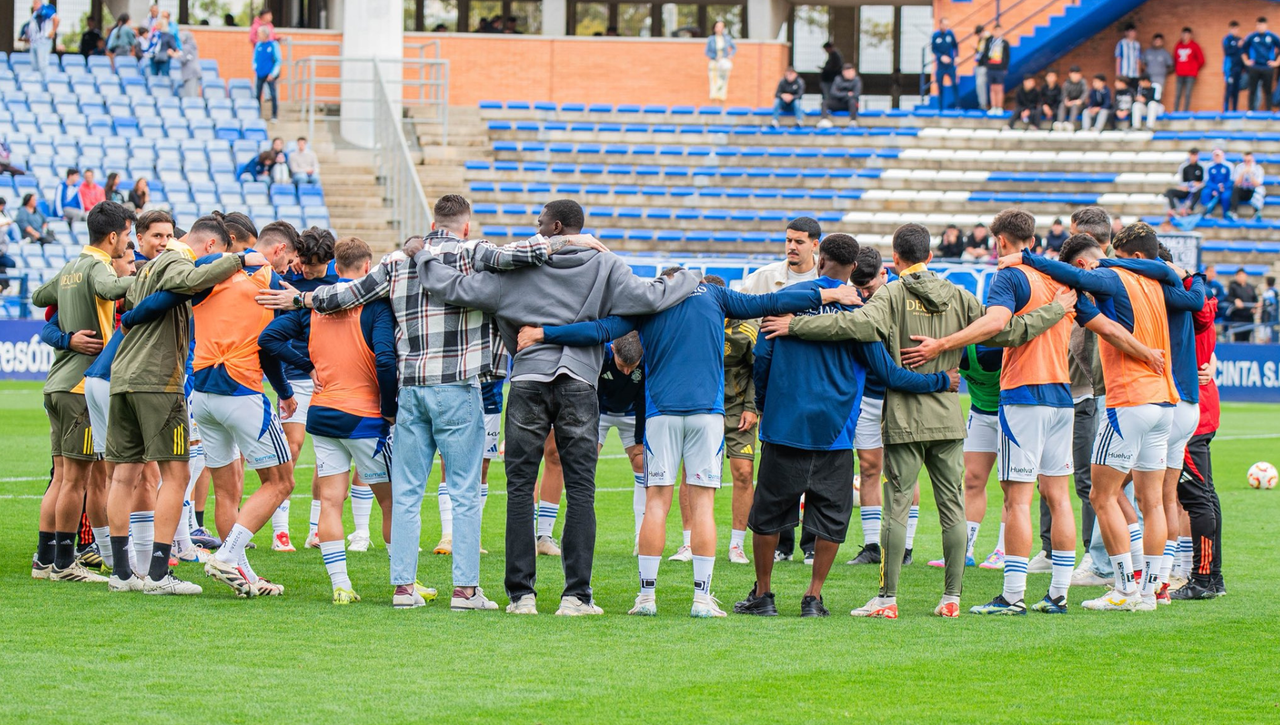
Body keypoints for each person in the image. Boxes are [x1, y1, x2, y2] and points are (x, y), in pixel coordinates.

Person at [760, 223, 1070, 619]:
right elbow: (1008, 331)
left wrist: (795, 324)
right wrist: (1056, 310)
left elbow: (852, 325)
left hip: (904, 417)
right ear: (930, 255)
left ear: (895, 258)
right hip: (948, 417)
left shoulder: (891, 294)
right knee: (952, 508)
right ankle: (952, 597)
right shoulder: (959, 295)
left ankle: (887, 599)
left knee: (896, 508)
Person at [523, 264, 862, 618]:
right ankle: (701, 600)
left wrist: (544, 333)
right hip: (707, 415)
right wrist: (827, 293)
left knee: (656, 503)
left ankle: (646, 597)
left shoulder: (651, 301)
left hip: (661, 414)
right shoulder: (714, 295)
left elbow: (599, 330)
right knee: (702, 506)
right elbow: (771, 302)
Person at [414, 200, 701, 616]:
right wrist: (691, 276)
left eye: (540, 223)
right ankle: (576, 597)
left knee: (519, 489)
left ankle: (521, 597)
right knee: (581, 489)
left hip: (527, 379)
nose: (535, 230)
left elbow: (454, 288)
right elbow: (652, 296)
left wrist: (421, 255)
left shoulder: (517, 268)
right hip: (580, 382)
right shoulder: (606, 265)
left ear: (556, 227)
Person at [737, 235, 956, 618]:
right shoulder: (860, 311)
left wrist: (765, 405)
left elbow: (762, 359)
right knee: (830, 516)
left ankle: (764, 594)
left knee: (768, 515)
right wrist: (940, 380)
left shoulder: (788, 300)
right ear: (854, 267)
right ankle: (813, 597)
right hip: (836, 432)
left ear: (819, 259)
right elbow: (888, 373)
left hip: (784, 426)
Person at [1007, 228, 1178, 612]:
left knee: (1103, 495)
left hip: (1129, 399)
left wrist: (1027, 258)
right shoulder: (1152, 281)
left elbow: (1098, 308)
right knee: (1152, 501)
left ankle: (1124, 589)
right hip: (1163, 399)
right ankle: (1150, 591)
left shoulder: (1109, 276)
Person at [258, 237, 397, 604]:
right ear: (367, 268)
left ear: (336, 266)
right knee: (392, 502)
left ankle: (341, 585)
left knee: (330, 501)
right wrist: (390, 408)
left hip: (322, 412)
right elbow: (385, 359)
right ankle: (405, 584)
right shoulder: (375, 304)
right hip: (365, 416)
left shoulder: (316, 303)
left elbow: (269, 339)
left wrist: (307, 366)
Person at [29, 201, 135, 584]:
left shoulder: (71, 266)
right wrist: (153, 278)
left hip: (56, 383)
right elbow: (110, 287)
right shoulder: (98, 266)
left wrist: (68, 304)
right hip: (79, 385)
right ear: (113, 236)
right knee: (76, 480)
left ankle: (45, 561)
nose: (127, 243)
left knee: (61, 477)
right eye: (127, 236)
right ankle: (64, 564)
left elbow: (39, 296)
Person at [844, 248, 921, 569]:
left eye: (869, 287)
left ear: (884, 274)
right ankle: (873, 545)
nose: (865, 294)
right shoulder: (854, 301)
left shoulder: (902, 301)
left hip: (900, 396)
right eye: (859, 288)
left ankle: (906, 547)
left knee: (904, 471)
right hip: (867, 397)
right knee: (869, 468)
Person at [1171, 280, 1224, 599]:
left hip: (1192, 413)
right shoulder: (1200, 302)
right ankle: (1212, 577)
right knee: (1206, 495)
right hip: (1203, 408)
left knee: (1195, 498)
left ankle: (1202, 578)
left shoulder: (1189, 307)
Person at [720, 301, 758, 566]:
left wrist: (751, 407)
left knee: (744, 472)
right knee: (693, 473)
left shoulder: (746, 330)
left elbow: (759, 368)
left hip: (737, 407)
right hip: (702, 405)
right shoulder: (697, 322)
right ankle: (689, 542)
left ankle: (737, 544)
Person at [1242, 17, 1280, 111]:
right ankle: (1250, 111)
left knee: (1267, 91)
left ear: (1266, 25)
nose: (1260, 27)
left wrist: (1277, 63)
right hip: (1255, 67)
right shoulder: (1252, 37)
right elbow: (1242, 50)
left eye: (1262, 25)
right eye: (1258, 25)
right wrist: (1246, 61)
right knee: (1252, 90)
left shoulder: (1271, 36)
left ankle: (1268, 111)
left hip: (1267, 67)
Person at [254, 26, 283, 122]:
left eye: (260, 34)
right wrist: (256, 69)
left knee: (273, 95)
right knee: (257, 95)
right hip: (260, 74)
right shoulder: (258, 45)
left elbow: (278, 60)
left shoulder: (273, 45)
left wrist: (273, 74)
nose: (258, 36)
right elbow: (255, 59)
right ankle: (257, 114)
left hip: (270, 74)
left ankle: (274, 115)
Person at [1173, 27, 1205, 112]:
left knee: (1187, 94)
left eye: (1187, 34)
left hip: (1190, 74)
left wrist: (1194, 68)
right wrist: (1178, 68)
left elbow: (1201, 60)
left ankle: (1185, 112)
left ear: (1190, 35)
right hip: (1180, 73)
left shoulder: (1194, 46)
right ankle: (1176, 111)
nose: (1185, 36)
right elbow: (1175, 58)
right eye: (1184, 34)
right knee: (1178, 94)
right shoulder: (1178, 45)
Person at [1165, 148, 1205, 215]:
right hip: (1186, 189)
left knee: (1199, 191)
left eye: (1195, 155)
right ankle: (1173, 209)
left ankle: (1190, 209)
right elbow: (1181, 181)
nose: (1194, 157)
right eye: (1192, 154)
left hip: (1196, 190)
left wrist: (1196, 184)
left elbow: (1203, 181)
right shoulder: (1184, 167)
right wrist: (1187, 186)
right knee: (1169, 191)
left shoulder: (1201, 167)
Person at [1229, 151, 1266, 221]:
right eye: (1245, 161)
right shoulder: (1239, 167)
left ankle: (1257, 212)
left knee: (1260, 189)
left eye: (1249, 160)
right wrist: (1242, 173)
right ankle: (1233, 212)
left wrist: (1251, 175)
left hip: (1252, 191)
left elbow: (1258, 184)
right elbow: (1236, 183)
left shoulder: (1258, 168)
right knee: (1235, 189)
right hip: (1243, 190)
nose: (1247, 162)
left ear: (1253, 160)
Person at [705, 21, 736, 103]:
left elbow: (734, 48)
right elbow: (707, 52)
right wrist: (715, 57)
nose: (719, 28)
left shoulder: (727, 38)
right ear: (714, 28)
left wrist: (730, 55)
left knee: (722, 83)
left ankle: (722, 103)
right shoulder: (711, 39)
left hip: (724, 63)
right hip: (714, 63)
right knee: (714, 83)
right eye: (718, 26)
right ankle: (714, 105)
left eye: (721, 27)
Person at [932, 17, 959, 110]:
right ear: (940, 24)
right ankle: (940, 108)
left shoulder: (950, 34)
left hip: (950, 65)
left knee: (954, 84)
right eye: (944, 25)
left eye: (947, 25)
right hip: (940, 66)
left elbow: (955, 46)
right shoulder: (935, 35)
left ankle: (957, 106)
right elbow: (933, 49)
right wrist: (941, 57)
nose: (945, 27)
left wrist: (956, 56)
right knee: (940, 86)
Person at [1200, 148, 1235, 218]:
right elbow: (1207, 181)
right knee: (1205, 192)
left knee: (1226, 196)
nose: (1217, 157)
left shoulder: (1229, 166)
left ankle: (1226, 214)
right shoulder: (1209, 166)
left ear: (1222, 156)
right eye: (1215, 156)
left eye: (1218, 155)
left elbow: (1231, 180)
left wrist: (1223, 187)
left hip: (1225, 188)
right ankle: (1206, 213)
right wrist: (1216, 188)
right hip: (1213, 187)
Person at [26, 1, 59, 73]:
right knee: (34, 65)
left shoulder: (45, 10)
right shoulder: (35, 13)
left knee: (42, 65)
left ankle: (45, 79)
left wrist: (53, 31)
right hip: (34, 41)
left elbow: (56, 19)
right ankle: (37, 79)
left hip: (43, 40)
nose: (34, 5)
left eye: (36, 3)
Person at [1226, 268, 1258, 341]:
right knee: (1238, 337)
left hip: (1249, 316)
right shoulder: (1233, 286)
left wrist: (1254, 308)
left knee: (1247, 337)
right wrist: (1235, 300)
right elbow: (1229, 297)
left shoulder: (1250, 287)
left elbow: (1255, 299)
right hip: (1238, 316)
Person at [983, 28, 1010, 112]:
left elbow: (1007, 56)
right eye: (996, 31)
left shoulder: (1004, 43)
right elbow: (985, 54)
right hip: (991, 67)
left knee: (999, 88)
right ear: (993, 32)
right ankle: (993, 106)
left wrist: (1005, 67)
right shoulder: (989, 42)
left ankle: (999, 107)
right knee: (992, 88)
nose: (997, 33)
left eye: (999, 31)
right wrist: (987, 64)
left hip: (1000, 68)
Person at [1142, 34, 1174, 101]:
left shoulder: (1165, 53)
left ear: (1162, 42)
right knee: (1146, 94)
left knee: (1157, 95)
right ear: (1153, 41)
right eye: (1156, 40)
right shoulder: (1148, 52)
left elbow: (1171, 66)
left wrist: (1163, 72)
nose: (1157, 42)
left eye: (1159, 41)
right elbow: (1142, 63)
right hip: (1148, 78)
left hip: (1159, 79)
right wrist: (1145, 72)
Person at [1223, 21, 1246, 111]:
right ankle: (1226, 110)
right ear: (1230, 29)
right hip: (1230, 69)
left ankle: (1234, 110)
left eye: (1236, 29)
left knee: (1236, 91)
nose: (1235, 31)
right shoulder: (1227, 39)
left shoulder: (1240, 40)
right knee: (1229, 90)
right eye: (1233, 29)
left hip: (1238, 69)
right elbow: (1227, 52)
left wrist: (1244, 67)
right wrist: (1237, 45)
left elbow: (1243, 54)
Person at [1058, 66, 1087, 131]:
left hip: (1079, 105)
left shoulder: (1083, 82)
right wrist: (1066, 101)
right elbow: (1064, 95)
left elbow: (1085, 93)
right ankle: (1060, 123)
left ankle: (1070, 124)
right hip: (1069, 103)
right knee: (1062, 105)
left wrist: (1078, 101)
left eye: (1077, 74)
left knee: (1074, 106)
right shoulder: (1066, 83)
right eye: (1074, 74)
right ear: (1070, 74)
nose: (1076, 76)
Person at [1115, 24, 1142, 90]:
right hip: (1124, 74)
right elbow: (1118, 58)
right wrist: (1118, 74)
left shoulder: (1137, 45)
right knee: (1124, 90)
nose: (1132, 33)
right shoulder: (1121, 43)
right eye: (1130, 31)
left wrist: (1139, 74)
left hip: (1134, 74)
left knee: (1134, 91)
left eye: (1134, 31)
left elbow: (1138, 59)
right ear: (1126, 32)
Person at [178, 29, 202, 98]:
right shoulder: (193, 46)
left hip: (189, 74)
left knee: (190, 95)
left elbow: (182, 59)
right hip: (195, 72)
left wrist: (174, 55)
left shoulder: (186, 47)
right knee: (194, 94)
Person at [974, 25, 993, 111]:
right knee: (979, 86)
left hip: (985, 65)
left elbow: (988, 53)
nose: (978, 36)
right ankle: (981, 103)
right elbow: (979, 53)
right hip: (979, 65)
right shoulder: (980, 40)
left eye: (979, 34)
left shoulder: (989, 39)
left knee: (981, 84)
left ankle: (983, 104)